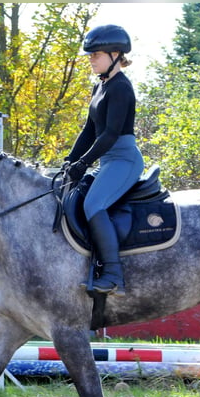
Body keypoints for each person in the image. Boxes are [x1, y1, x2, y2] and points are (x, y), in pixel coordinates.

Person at [64, 24, 145, 297]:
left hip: (123, 159)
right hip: (107, 159)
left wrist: (84, 163)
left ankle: (113, 276)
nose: (91, 59)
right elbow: (89, 130)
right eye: (90, 55)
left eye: (96, 54)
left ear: (115, 55)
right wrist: (71, 160)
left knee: (93, 204)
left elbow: (110, 134)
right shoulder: (100, 87)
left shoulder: (121, 87)